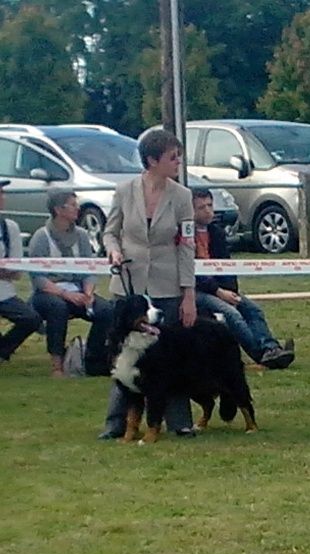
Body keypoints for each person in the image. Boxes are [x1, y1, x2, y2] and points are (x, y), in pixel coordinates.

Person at [98, 129, 197, 439]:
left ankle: (179, 421)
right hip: (129, 284)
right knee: (124, 357)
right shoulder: (124, 191)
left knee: (171, 356)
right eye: (172, 157)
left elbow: (187, 245)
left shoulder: (182, 196)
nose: (178, 161)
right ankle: (116, 424)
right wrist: (113, 250)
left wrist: (188, 294)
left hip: (167, 284)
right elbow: (110, 231)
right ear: (152, 161)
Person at [193, 189, 295, 369]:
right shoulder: (185, 236)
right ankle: (261, 354)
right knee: (232, 314)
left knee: (253, 309)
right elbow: (193, 274)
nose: (208, 211)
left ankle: (271, 347)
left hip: (221, 289)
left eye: (210, 205)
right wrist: (219, 293)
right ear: (191, 211)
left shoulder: (216, 233)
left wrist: (230, 292)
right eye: (202, 207)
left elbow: (227, 267)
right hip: (196, 291)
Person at [28, 188, 114, 377]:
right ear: (59, 210)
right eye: (73, 205)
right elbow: (37, 278)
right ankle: (57, 365)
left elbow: (89, 269)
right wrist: (66, 294)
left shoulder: (82, 235)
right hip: (49, 293)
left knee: (106, 310)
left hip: (78, 289)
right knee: (57, 309)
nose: (77, 209)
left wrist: (88, 293)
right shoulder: (41, 237)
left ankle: (92, 358)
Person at [0, 179, 41, 364]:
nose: (2, 197)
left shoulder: (10, 228)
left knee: (31, 319)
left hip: (4, 292)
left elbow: (16, 270)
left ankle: (3, 350)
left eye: (2, 193)